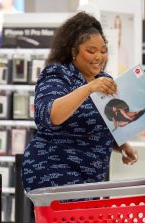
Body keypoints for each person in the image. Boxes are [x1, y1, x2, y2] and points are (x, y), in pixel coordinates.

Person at [22, 11, 138, 193]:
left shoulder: (104, 79)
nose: (99, 57)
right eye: (91, 51)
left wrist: (122, 145)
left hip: (91, 176)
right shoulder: (57, 74)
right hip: (54, 170)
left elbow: (103, 125)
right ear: (73, 51)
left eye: (103, 50)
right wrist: (88, 89)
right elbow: (51, 115)